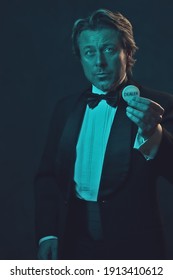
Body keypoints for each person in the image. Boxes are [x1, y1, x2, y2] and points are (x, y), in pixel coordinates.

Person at [34, 8, 173, 260]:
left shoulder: (159, 106)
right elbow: (47, 178)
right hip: (72, 244)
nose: (98, 62)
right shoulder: (65, 108)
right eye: (89, 53)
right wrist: (48, 234)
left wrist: (153, 132)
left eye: (108, 49)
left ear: (127, 53)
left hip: (136, 250)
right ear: (81, 58)